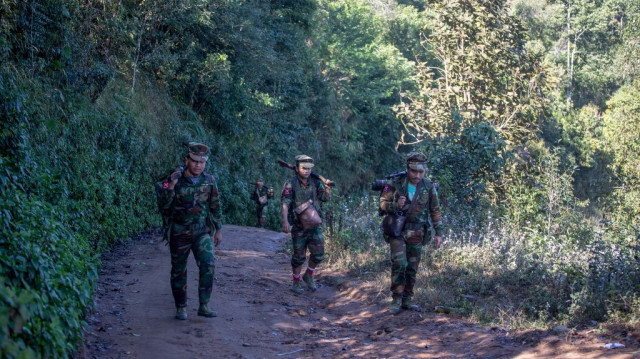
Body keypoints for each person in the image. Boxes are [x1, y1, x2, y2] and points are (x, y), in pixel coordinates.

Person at [157, 142, 223, 320]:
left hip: (201, 231)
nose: (198, 165)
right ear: (187, 160)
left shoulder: (209, 181)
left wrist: (218, 229)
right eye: (194, 161)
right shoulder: (175, 179)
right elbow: (163, 207)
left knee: (208, 263)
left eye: (201, 162)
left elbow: (215, 206)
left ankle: (204, 305)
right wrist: (171, 186)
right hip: (179, 232)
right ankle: (181, 307)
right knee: (179, 270)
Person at [378, 152, 444, 314]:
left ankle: (407, 299)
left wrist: (439, 232)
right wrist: (395, 206)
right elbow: (382, 204)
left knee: (412, 267)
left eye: (421, 172)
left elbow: (435, 210)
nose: (418, 175)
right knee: (400, 264)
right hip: (398, 230)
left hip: (418, 232)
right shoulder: (394, 183)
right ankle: (396, 299)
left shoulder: (428, 186)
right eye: (414, 171)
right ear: (407, 169)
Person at [281, 155, 332, 294]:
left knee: (318, 254)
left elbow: (324, 198)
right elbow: (285, 203)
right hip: (299, 226)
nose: (307, 171)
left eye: (309, 169)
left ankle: (308, 275)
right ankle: (296, 282)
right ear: (297, 168)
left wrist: (327, 189)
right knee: (299, 256)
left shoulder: (315, 183)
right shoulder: (291, 183)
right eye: (304, 168)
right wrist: (285, 221)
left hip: (314, 225)